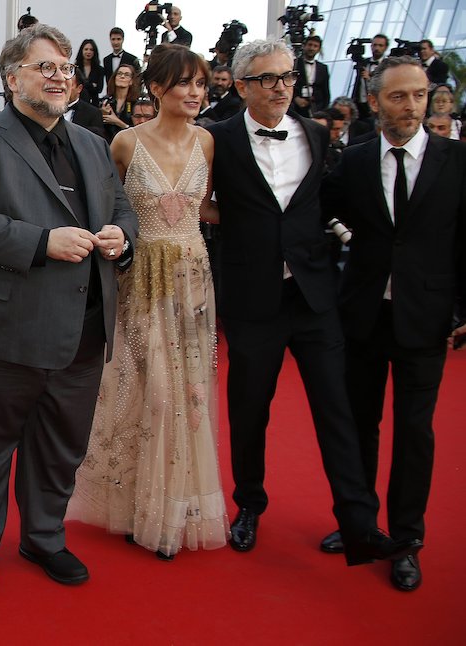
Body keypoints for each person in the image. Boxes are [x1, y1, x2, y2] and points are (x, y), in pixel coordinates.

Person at [206, 38, 422, 567]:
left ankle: (358, 523)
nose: (281, 87)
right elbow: (198, 202)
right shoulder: (217, 141)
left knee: (338, 411)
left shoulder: (319, 136)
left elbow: (331, 203)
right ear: (241, 87)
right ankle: (249, 505)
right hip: (253, 299)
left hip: (314, 297)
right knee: (249, 410)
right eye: (267, 79)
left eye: (287, 76)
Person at [0, 24, 138, 593]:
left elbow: (124, 212)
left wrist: (123, 239)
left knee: (60, 449)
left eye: (66, 68)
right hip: (0, 331)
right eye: (45, 66)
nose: (59, 77)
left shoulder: (93, 144)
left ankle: (44, 538)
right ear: (12, 77)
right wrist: (39, 242)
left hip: (83, 330)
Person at [68, 43, 225, 561]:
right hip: (142, 282)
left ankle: (172, 510)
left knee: (191, 396)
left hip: (193, 282)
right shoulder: (124, 144)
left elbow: (209, 209)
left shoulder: (207, 143)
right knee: (152, 392)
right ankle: (142, 505)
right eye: (185, 83)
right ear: (156, 89)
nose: (196, 94)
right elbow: (103, 205)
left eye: (201, 84)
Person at [321, 56, 466, 592]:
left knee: (414, 433)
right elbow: (319, 213)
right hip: (362, 315)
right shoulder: (355, 162)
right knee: (358, 428)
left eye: (420, 96)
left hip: (425, 320)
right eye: (399, 96)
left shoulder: (456, 161)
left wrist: (462, 311)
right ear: (375, 100)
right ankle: (359, 526)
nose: (411, 106)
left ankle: (407, 539)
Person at [292, 35, 330, 116]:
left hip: (315, 107)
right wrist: (295, 98)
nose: (312, 48)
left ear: (319, 49)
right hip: (295, 106)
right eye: (310, 45)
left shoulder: (323, 68)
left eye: (315, 46)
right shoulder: (294, 63)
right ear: (304, 46)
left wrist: (324, 110)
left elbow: (325, 91)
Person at [353, 34, 388, 119]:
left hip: (377, 106)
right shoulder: (363, 62)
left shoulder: (388, 65)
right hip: (359, 105)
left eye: (380, 45)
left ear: (385, 47)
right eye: (374, 45)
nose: (377, 48)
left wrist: (369, 79)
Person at [102, 63, 139, 140]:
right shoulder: (106, 101)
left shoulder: (135, 104)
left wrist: (117, 122)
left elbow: (138, 130)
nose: (122, 76)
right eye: (119, 74)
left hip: (127, 142)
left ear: (131, 81)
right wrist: (101, 114)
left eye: (127, 75)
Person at [66, 69, 104, 137]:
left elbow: (96, 141)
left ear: (79, 88)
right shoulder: (48, 109)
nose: (64, 87)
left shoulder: (93, 113)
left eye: (69, 84)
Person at [74, 39, 106, 107]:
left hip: (94, 104)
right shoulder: (76, 68)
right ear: (82, 51)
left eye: (91, 50)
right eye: (86, 49)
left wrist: (84, 83)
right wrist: (92, 85)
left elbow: (99, 89)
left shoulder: (100, 69)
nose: (88, 52)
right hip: (79, 103)